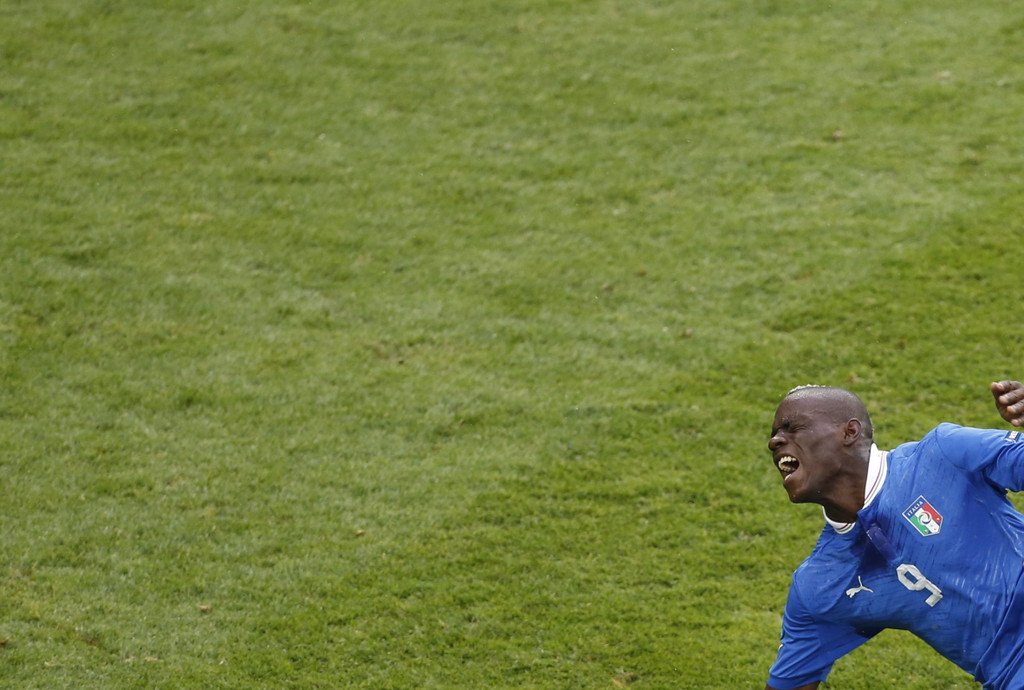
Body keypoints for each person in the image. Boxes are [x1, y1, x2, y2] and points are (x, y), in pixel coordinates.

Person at [765, 380, 1024, 690]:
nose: (774, 442)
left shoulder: (944, 455)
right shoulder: (820, 584)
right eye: (774, 435)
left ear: (850, 432)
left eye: (792, 428)